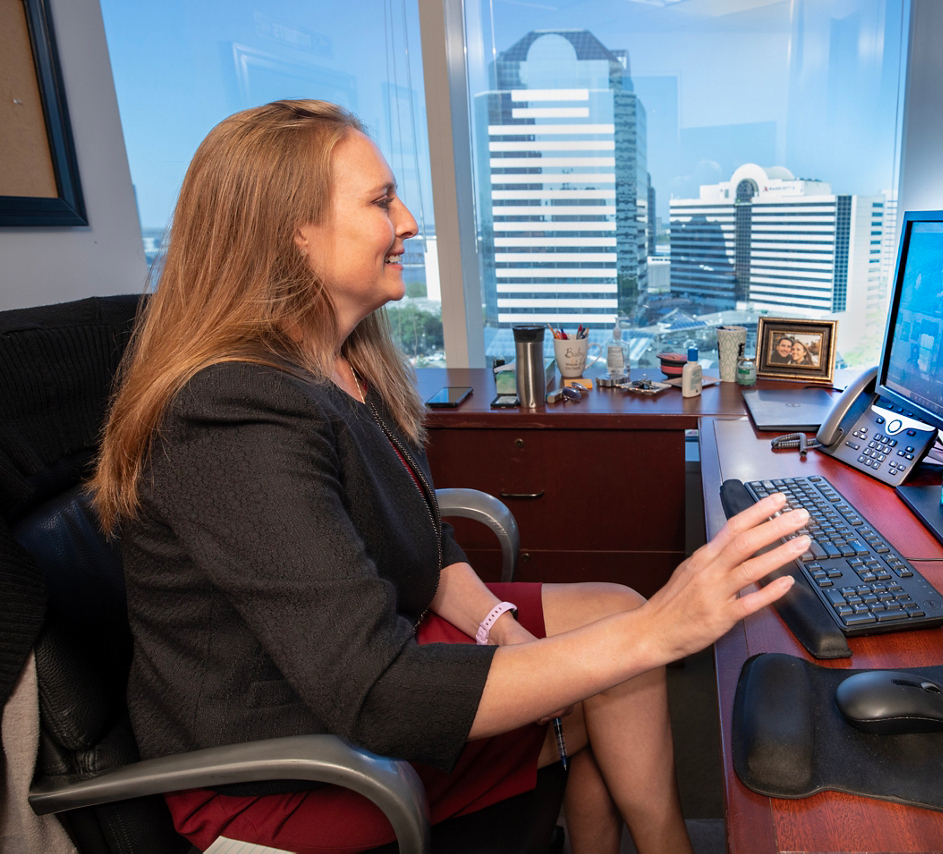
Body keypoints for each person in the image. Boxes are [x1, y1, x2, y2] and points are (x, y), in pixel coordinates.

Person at [90, 101, 808, 854]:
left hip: (363, 647)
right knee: (619, 669)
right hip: (287, 763)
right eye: (379, 201)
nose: (407, 221)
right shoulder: (230, 413)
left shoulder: (349, 364)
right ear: (289, 231)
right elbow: (376, 694)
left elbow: (424, 536)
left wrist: (500, 629)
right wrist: (660, 631)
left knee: (615, 612)